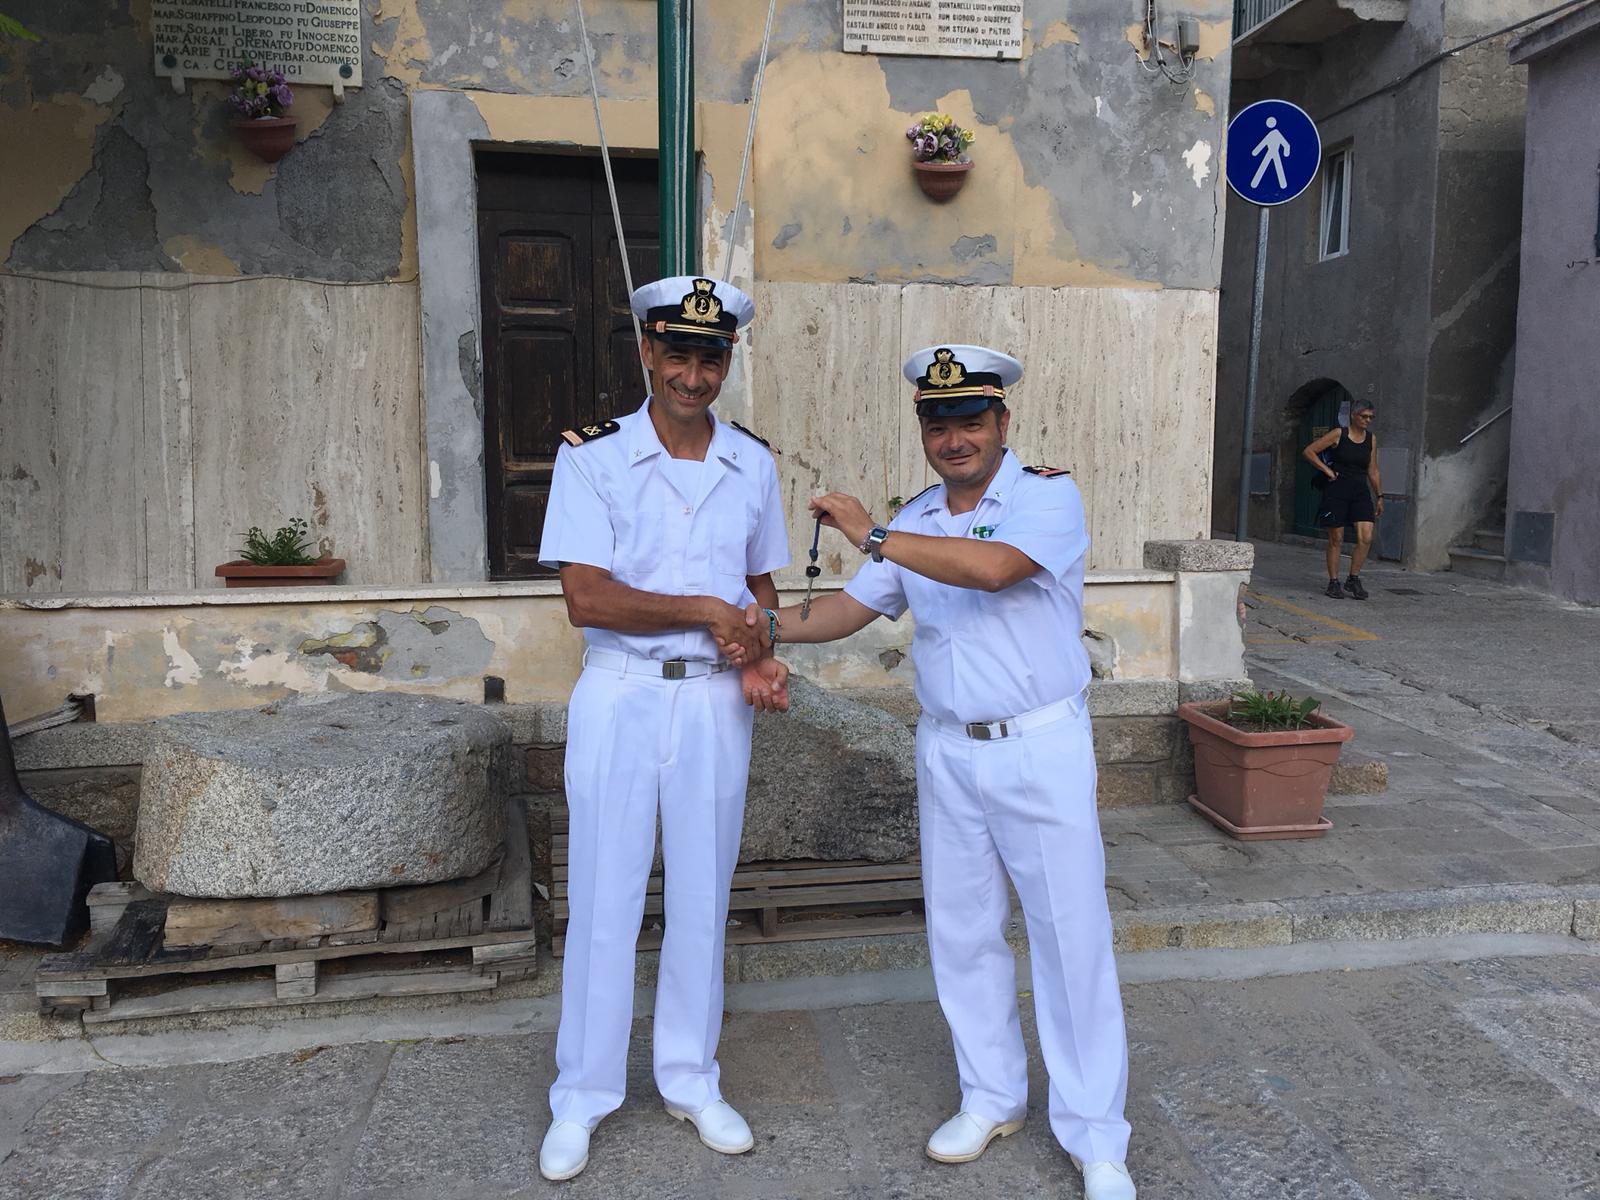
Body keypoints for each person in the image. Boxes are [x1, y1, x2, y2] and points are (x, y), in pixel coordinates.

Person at [735, 345, 1137, 1200]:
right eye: (937, 423)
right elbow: (851, 608)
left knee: (1071, 940)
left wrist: (871, 533)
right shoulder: (919, 515)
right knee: (961, 933)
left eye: (969, 421)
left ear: (1002, 423)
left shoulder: (1046, 496)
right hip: (950, 748)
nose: (953, 438)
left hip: (1039, 745)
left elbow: (994, 571)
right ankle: (992, 1096)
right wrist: (759, 628)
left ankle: (1097, 1135)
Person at [534, 276, 791, 1182]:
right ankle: (584, 1094)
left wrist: (758, 647)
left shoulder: (752, 463)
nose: (692, 374)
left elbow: (760, 585)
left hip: (716, 704)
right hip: (622, 695)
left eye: (709, 356)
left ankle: (690, 1076)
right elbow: (585, 597)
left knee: (701, 896)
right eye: (676, 353)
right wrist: (704, 611)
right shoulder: (593, 458)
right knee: (603, 898)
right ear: (645, 351)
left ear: (727, 361)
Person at [1302, 402, 1383, 599]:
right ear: (1354, 416)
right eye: (1364, 416)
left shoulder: (1371, 439)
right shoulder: (1339, 434)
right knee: (1336, 539)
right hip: (1337, 489)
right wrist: (1327, 470)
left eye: (1371, 417)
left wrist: (1379, 495)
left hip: (1360, 491)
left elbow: (1372, 469)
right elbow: (1309, 451)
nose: (1367, 421)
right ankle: (1333, 582)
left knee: (1366, 537)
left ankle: (1353, 578)